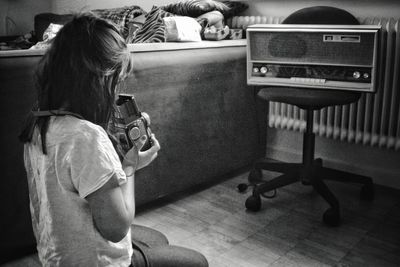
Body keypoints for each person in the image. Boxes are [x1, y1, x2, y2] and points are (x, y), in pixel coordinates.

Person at [19, 13, 208, 267]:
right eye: (116, 83)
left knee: (156, 238)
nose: (115, 94)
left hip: (57, 256)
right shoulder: (86, 137)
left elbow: (77, 181)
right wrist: (129, 168)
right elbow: (117, 228)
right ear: (99, 80)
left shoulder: (38, 123)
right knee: (196, 262)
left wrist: (115, 156)